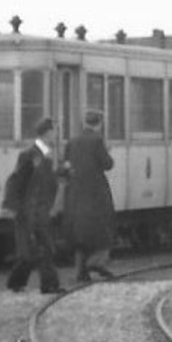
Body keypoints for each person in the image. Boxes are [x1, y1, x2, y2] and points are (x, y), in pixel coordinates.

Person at [5, 116, 62, 294]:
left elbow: (47, 181)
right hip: (30, 210)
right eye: (55, 131)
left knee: (42, 248)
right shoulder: (31, 155)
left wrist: (62, 174)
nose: (57, 135)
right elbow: (17, 180)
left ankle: (46, 284)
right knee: (34, 251)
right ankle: (25, 283)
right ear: (48, 133)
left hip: (39, 209)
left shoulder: (45, 154)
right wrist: (13, 206)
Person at [63, 109, 117, 282]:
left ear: (85, 123)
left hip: (75, 192)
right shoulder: (97, 140)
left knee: (80, 232)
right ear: (99, 124)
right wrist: (107, 151)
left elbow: (66, 165)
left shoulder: (72, 141)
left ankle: (80, 271)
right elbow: (107, 164)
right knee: (103, 227)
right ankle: (97, 262)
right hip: (95, 192)